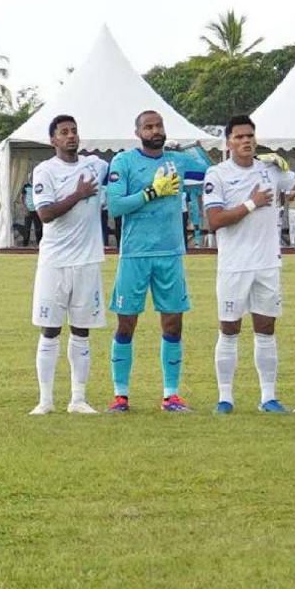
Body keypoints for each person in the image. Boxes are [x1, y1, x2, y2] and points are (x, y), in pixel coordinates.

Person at [202, 115, 295, 414]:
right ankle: (225, 398)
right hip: (233, 265)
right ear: (229, 142)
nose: (246, 141)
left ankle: (268, 397)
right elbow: (215, 220)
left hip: (267, 264)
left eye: (250, 136)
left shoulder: (270, 169)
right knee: (229, 329)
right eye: (239, 137)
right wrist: (252, 203)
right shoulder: (216, 174)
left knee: (266, 329)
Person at [104, 110, 207, 413]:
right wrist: (151, 192)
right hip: (135, 254)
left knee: (174, 322)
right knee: (126, 323)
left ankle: (171, 395)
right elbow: (115, 205)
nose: (155, 130)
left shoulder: (177, 161)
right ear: (137, 132)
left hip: (170, 253)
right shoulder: (124, 162)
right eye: (148, 127)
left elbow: (211, 172)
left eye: (159, 125)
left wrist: (194, 147)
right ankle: (120, 395)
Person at [27, 114, 108, 415]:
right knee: (50, 330)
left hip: (87, 261)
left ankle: (78, 399)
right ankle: (45, 400)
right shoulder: (44, 171)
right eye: (64, 132)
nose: (71, 136)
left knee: (82, 330)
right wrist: (79, 194)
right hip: (55, 262)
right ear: (53, 140)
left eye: (74, 131)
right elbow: (45, 214)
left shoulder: (96, 166)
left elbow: (121, 170)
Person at [20, 179, 43, 246]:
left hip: (37, 210)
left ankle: (39, 244)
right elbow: (21, 198)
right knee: (27, 228)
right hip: (28, 210)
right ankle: (25, 245)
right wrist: (24, 208)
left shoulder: (38, 185)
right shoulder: (26, 186)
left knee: (38, 228)